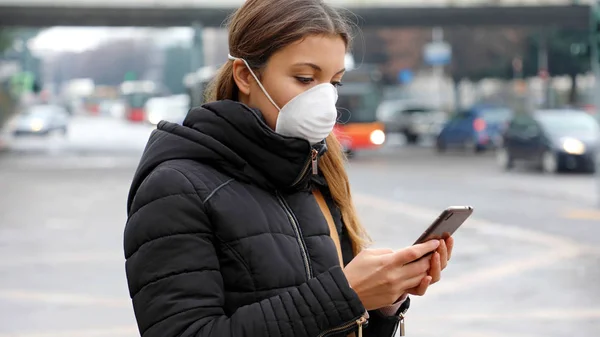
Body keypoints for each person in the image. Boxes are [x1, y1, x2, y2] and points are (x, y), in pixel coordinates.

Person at [123, 0, 453, 336]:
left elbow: (336, 324)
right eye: (305, 78)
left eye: (334, 83)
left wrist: (383, 303)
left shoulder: (316, 173)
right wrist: (345, 294)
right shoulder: (175, 187)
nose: (325, 101)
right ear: (244, 76)